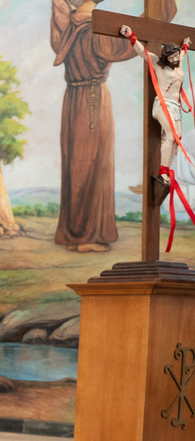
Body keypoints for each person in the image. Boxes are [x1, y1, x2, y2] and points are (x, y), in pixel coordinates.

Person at [50, 0, 176, 252]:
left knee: (76, 164)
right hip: (94, 100)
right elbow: (133, 39)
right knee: (93, 163)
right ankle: (89, 237)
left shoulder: (66, 26)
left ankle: (75, 234)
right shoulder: (97, 29)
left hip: (73, 100)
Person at [121, 23, 191, 196]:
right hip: (163, 105)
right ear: (166, 57)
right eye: (172, 56)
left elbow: (182, 52)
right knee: (170, 136)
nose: (176, 58)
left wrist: (185, 46)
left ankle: (166, 172)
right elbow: (141, 52)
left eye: (176, 55)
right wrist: (131, 36)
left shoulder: (179, 62)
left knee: (177, 139)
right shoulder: (158, 64)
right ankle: (163, 171)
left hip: (175, 107)